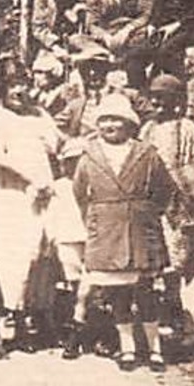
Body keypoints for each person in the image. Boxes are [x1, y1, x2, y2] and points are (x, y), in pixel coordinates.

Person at [69, 94, 175, 371]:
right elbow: (80, 193)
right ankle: (127, 348)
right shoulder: (89, 155)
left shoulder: (146, 153)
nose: (109, 125)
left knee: (146, 291)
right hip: (106, 230)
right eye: (104, 120)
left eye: (116, 119)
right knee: (118, 293)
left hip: (141, 228)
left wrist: (148, 212)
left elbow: (165, 188)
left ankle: (154, 350)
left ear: (129, 124)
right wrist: (95, 219)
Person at [0, 77, 73, 348]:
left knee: (44, 255)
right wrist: (30, 177)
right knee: (15, 258)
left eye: (23, 86)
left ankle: (40, 317)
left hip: (43, 194)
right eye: (11, 86)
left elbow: (58, 146)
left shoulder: (40, 115)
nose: (18, 91)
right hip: (10, 196)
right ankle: (15, 320)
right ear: (2, 89)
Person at [141, 74, 194, 340]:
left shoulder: (187, 129)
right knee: (163, 266)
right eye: (154, 97)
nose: (156, 103)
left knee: (185, 265)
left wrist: (185, 195)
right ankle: (169, 318)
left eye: (163, 98)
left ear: (176, 101)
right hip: (155, 206)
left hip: (182, 206)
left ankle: (190, 323)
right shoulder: (148, 129)